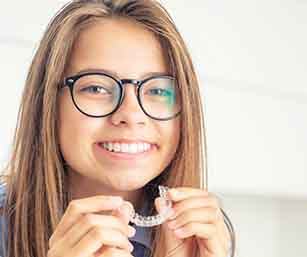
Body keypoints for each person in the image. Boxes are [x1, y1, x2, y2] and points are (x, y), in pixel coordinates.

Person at [0, 0, 235, 257]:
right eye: (96, 88)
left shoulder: (202, 234)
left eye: (157, 90)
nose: (131, 115)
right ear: (48, 103)